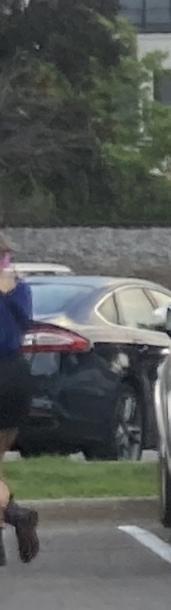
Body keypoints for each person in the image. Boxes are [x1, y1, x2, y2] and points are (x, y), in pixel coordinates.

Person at [0, 240, 37, 562]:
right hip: (15, 373)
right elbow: (26, 323)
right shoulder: (20, 289)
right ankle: (12, 517)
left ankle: (15, 515)